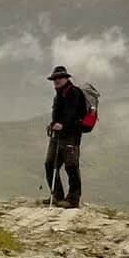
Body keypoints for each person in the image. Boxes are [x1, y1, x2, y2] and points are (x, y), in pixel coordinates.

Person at [45, 65, 88, 208]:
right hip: (58, 135)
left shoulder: (73, 93)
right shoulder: (59, 94)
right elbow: (58, 114)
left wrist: (62, 124)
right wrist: (53, 124)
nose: (56, 81)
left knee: (71, 166)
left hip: (71, 136)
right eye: (54, 79)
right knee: (50, 163)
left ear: (66, 78)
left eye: (59, 78)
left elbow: (71, 113)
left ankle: (73, 199)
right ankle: (57, 196)